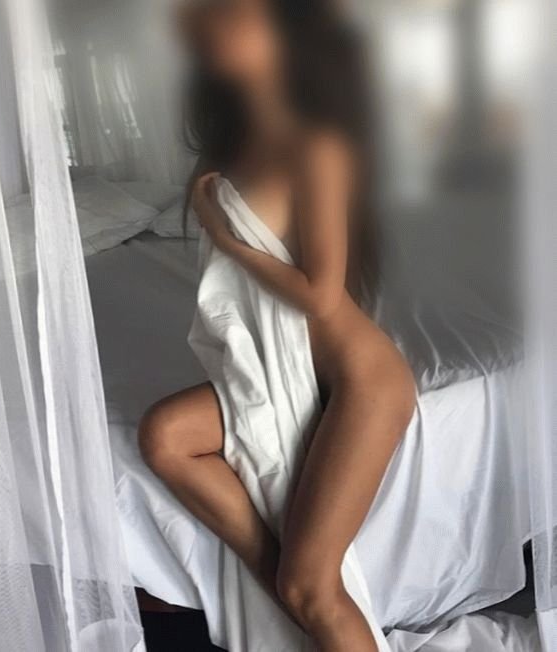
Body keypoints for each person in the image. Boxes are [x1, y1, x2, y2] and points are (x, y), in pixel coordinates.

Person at [138, 1, 416, 649]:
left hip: (362, 382)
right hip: (287, 369)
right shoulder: (231, 149)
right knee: (165, 436)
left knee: (307, 586)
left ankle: (308, 593)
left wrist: (226, 238)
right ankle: (300, 593)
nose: (210, 28)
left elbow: (320, 295)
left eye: (234, 15)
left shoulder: (316, 145)